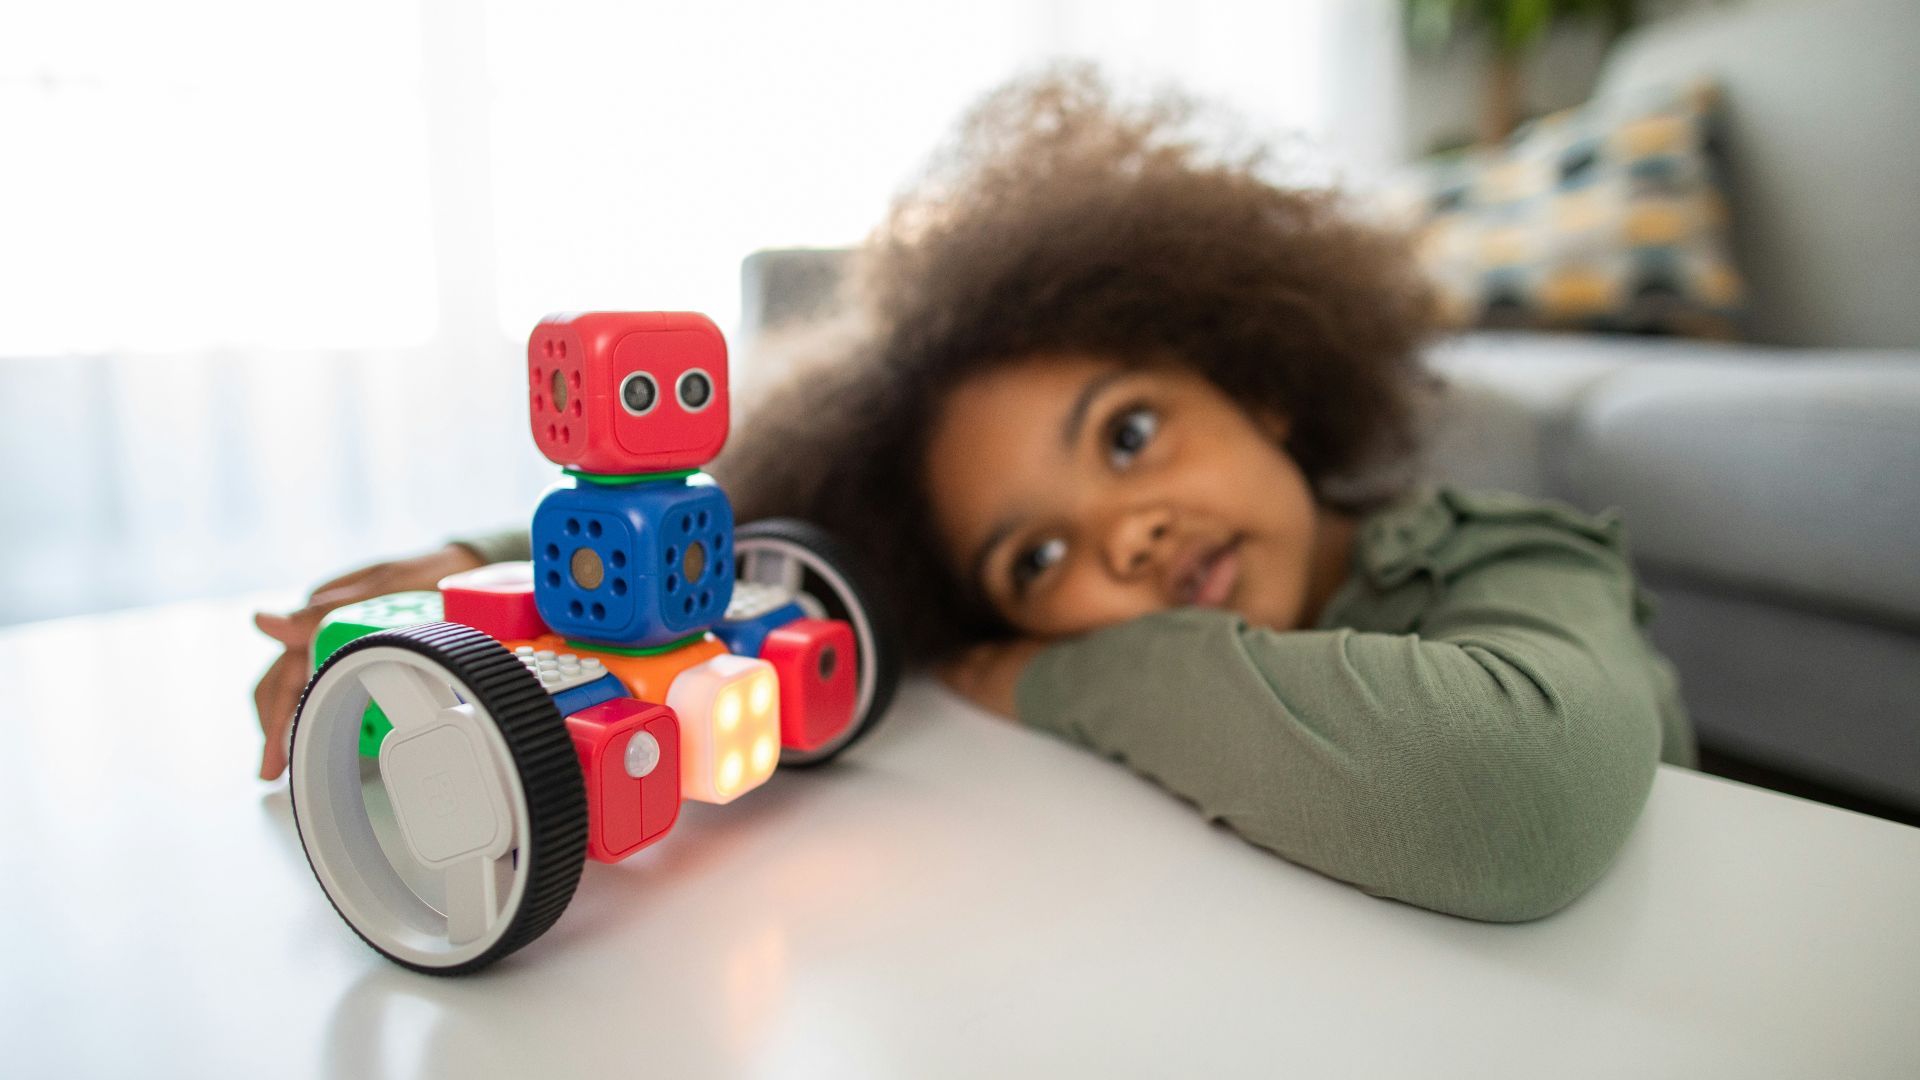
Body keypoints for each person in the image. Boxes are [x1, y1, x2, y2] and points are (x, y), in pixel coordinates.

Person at [253, 68, 1695, 922]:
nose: (1122, 535)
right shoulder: (919, 597)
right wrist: (472, 576)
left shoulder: (1505, 556)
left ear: (1257, 378)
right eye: (1035, 558)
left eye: (1129, 433)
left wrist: (1071, 675)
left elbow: (1516, 798)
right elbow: (722, 548)